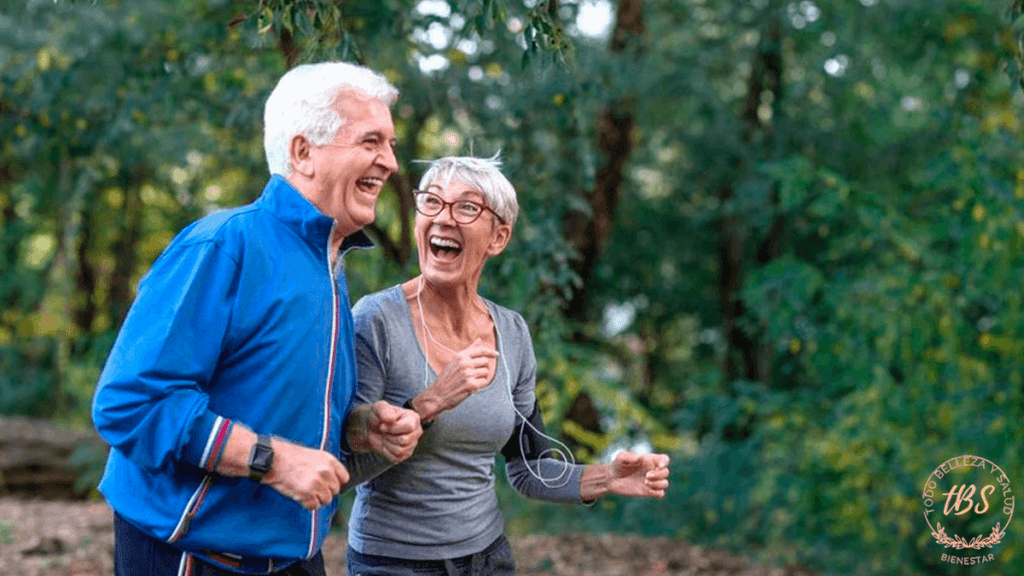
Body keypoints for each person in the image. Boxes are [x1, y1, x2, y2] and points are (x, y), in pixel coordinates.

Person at [91, 61, 423, 576]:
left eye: (391, 144)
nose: (391, 163)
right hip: (192, 554)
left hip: (292, 557)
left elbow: (267, 402)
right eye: (371, 142)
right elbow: (131, 404)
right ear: (303, 152)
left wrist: (355, 429)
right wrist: (275, 460)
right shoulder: (225, 244)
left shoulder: (329, 264)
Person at [342, 156, 672, 576]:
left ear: (498, 237)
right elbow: (345, 466)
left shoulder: (512, 333)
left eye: (466, 208)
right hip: (392, 562)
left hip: (488, 558)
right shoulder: (375, 320)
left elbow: (529, 469)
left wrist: (607, 478)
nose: (443, 219)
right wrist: (430, 402)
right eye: (431, 203)